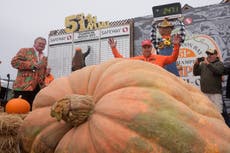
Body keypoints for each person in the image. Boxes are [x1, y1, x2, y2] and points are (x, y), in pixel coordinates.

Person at [11, 37, 47, 110]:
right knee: (18, 109)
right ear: (34, 43)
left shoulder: (44, 57)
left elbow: (43, 72)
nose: (41, 45)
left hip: (38, 88)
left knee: (32, 109)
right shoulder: (25, 51)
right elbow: (14, 63)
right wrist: (31, 65)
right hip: (23, 86)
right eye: (40, 43)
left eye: (43, 44)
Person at [108, 34, 181, 67]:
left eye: (148, 47)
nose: (146, 49)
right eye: (144, 47)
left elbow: (173, 58)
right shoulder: (136, 60)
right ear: (142, 49)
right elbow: (122, 60)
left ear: (151, 48)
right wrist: (113, 48)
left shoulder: (160, 58)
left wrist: (176, 45)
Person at [193, 49, 224, 114]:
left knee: (218, 113)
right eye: (208, 54)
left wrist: (208, 64)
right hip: (205, 93)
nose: (209, 56)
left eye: (211, 54)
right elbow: (195, 73)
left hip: (215, 93)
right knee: (207, 113)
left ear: (216, 55)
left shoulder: (219, 64)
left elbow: (218, 71)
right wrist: (196, 64)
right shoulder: (203, 64)